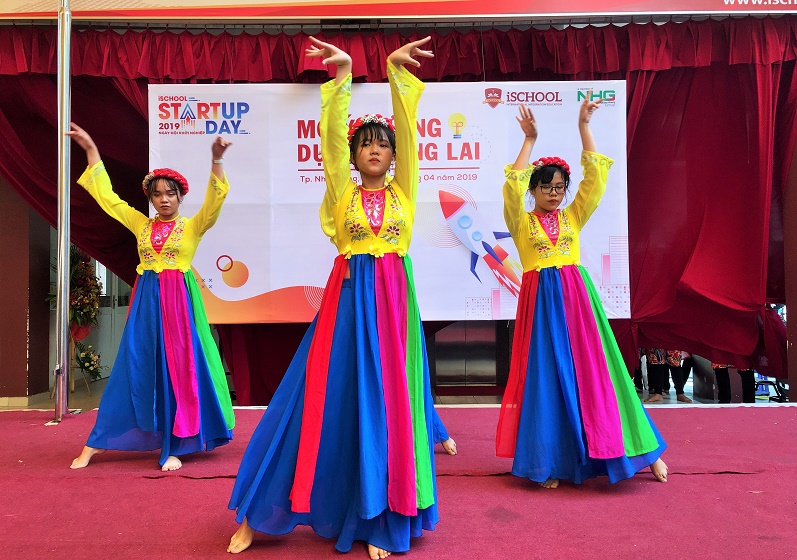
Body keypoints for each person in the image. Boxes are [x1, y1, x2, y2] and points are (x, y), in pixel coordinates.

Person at [227, 37, 438, 559]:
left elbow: (408, 130)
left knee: (390, 405)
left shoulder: (403, 192)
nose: (374, 149)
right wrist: (341, 79)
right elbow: (330, 145)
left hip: (392, 306)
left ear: (393, 156)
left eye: (382, 144)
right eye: (365, 142)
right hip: (347, 300)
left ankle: (380, 516)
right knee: (317, 395)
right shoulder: (341, 193)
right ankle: (262, 507)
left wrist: (392, 73)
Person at [495, 100, 668, 489]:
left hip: (577, 301)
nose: (554, 194)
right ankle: (550, 461)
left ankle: (643, 450)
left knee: (599, 374)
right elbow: (511, 186)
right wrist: (529, 140)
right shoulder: (520, 222)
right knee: (547, 377)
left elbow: (594, 180)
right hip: (541, 303)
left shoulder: (573, 216)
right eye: (546, 188)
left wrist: (584, 126)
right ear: (534, 189)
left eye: (559, 188)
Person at [67, 123, 235, 472]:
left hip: (180, 306)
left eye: (170, 193)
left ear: (179, 197)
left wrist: (216, 160)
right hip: (147, 303)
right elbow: (108, 199)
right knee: (136, 364)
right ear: (151, 198)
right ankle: (97, 442)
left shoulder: (192, 226)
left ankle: (175, 444)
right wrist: (89, 148)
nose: (163, 199)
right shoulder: (141, 224)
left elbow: (216, 201)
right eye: (157, 194)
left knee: (180, 369)